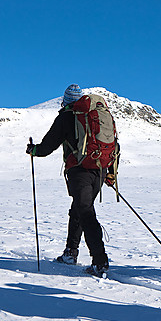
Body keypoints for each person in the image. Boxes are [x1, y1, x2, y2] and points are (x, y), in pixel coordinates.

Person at [26, 84, 117, 277]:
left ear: (66, 100)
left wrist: (34, 150)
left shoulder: (67, 117)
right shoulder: (97, 116)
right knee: (79, 209)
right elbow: (113, 145)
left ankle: (100, 261)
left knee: (85, 213)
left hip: (79, 170)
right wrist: (110, 172)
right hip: (99, 169)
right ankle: (71, 252)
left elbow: (48, 146)